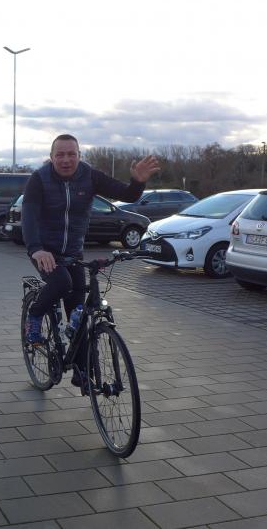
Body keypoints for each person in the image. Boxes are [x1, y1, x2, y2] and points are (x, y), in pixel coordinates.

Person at [22, 134, 160, 386]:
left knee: (80, 313)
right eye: (60, 154)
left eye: (71, 154)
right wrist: (36, 249)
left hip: (74, 253)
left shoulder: (90, 176)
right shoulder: (39, 179)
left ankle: (81, 370)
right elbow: (28, 216)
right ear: (52, 157)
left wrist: (138, 181)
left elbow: (127, 194)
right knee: (61, 283)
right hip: (45, 252)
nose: (66, 159)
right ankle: (35, 313)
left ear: (79, 155)